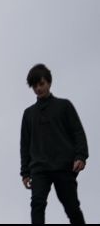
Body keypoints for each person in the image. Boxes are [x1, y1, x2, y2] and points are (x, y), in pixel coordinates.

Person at [20, 63, 88, 224]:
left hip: (64, 166)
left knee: (72, 207)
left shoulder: (64, 106)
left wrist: (81, 156)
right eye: (35, 86)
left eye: (41, 84)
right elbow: (25, 145)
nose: (38, 88)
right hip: (39, 169)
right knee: (37, 204)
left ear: (49, 82)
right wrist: (25, 172)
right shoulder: (28, 114)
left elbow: (78, 132)